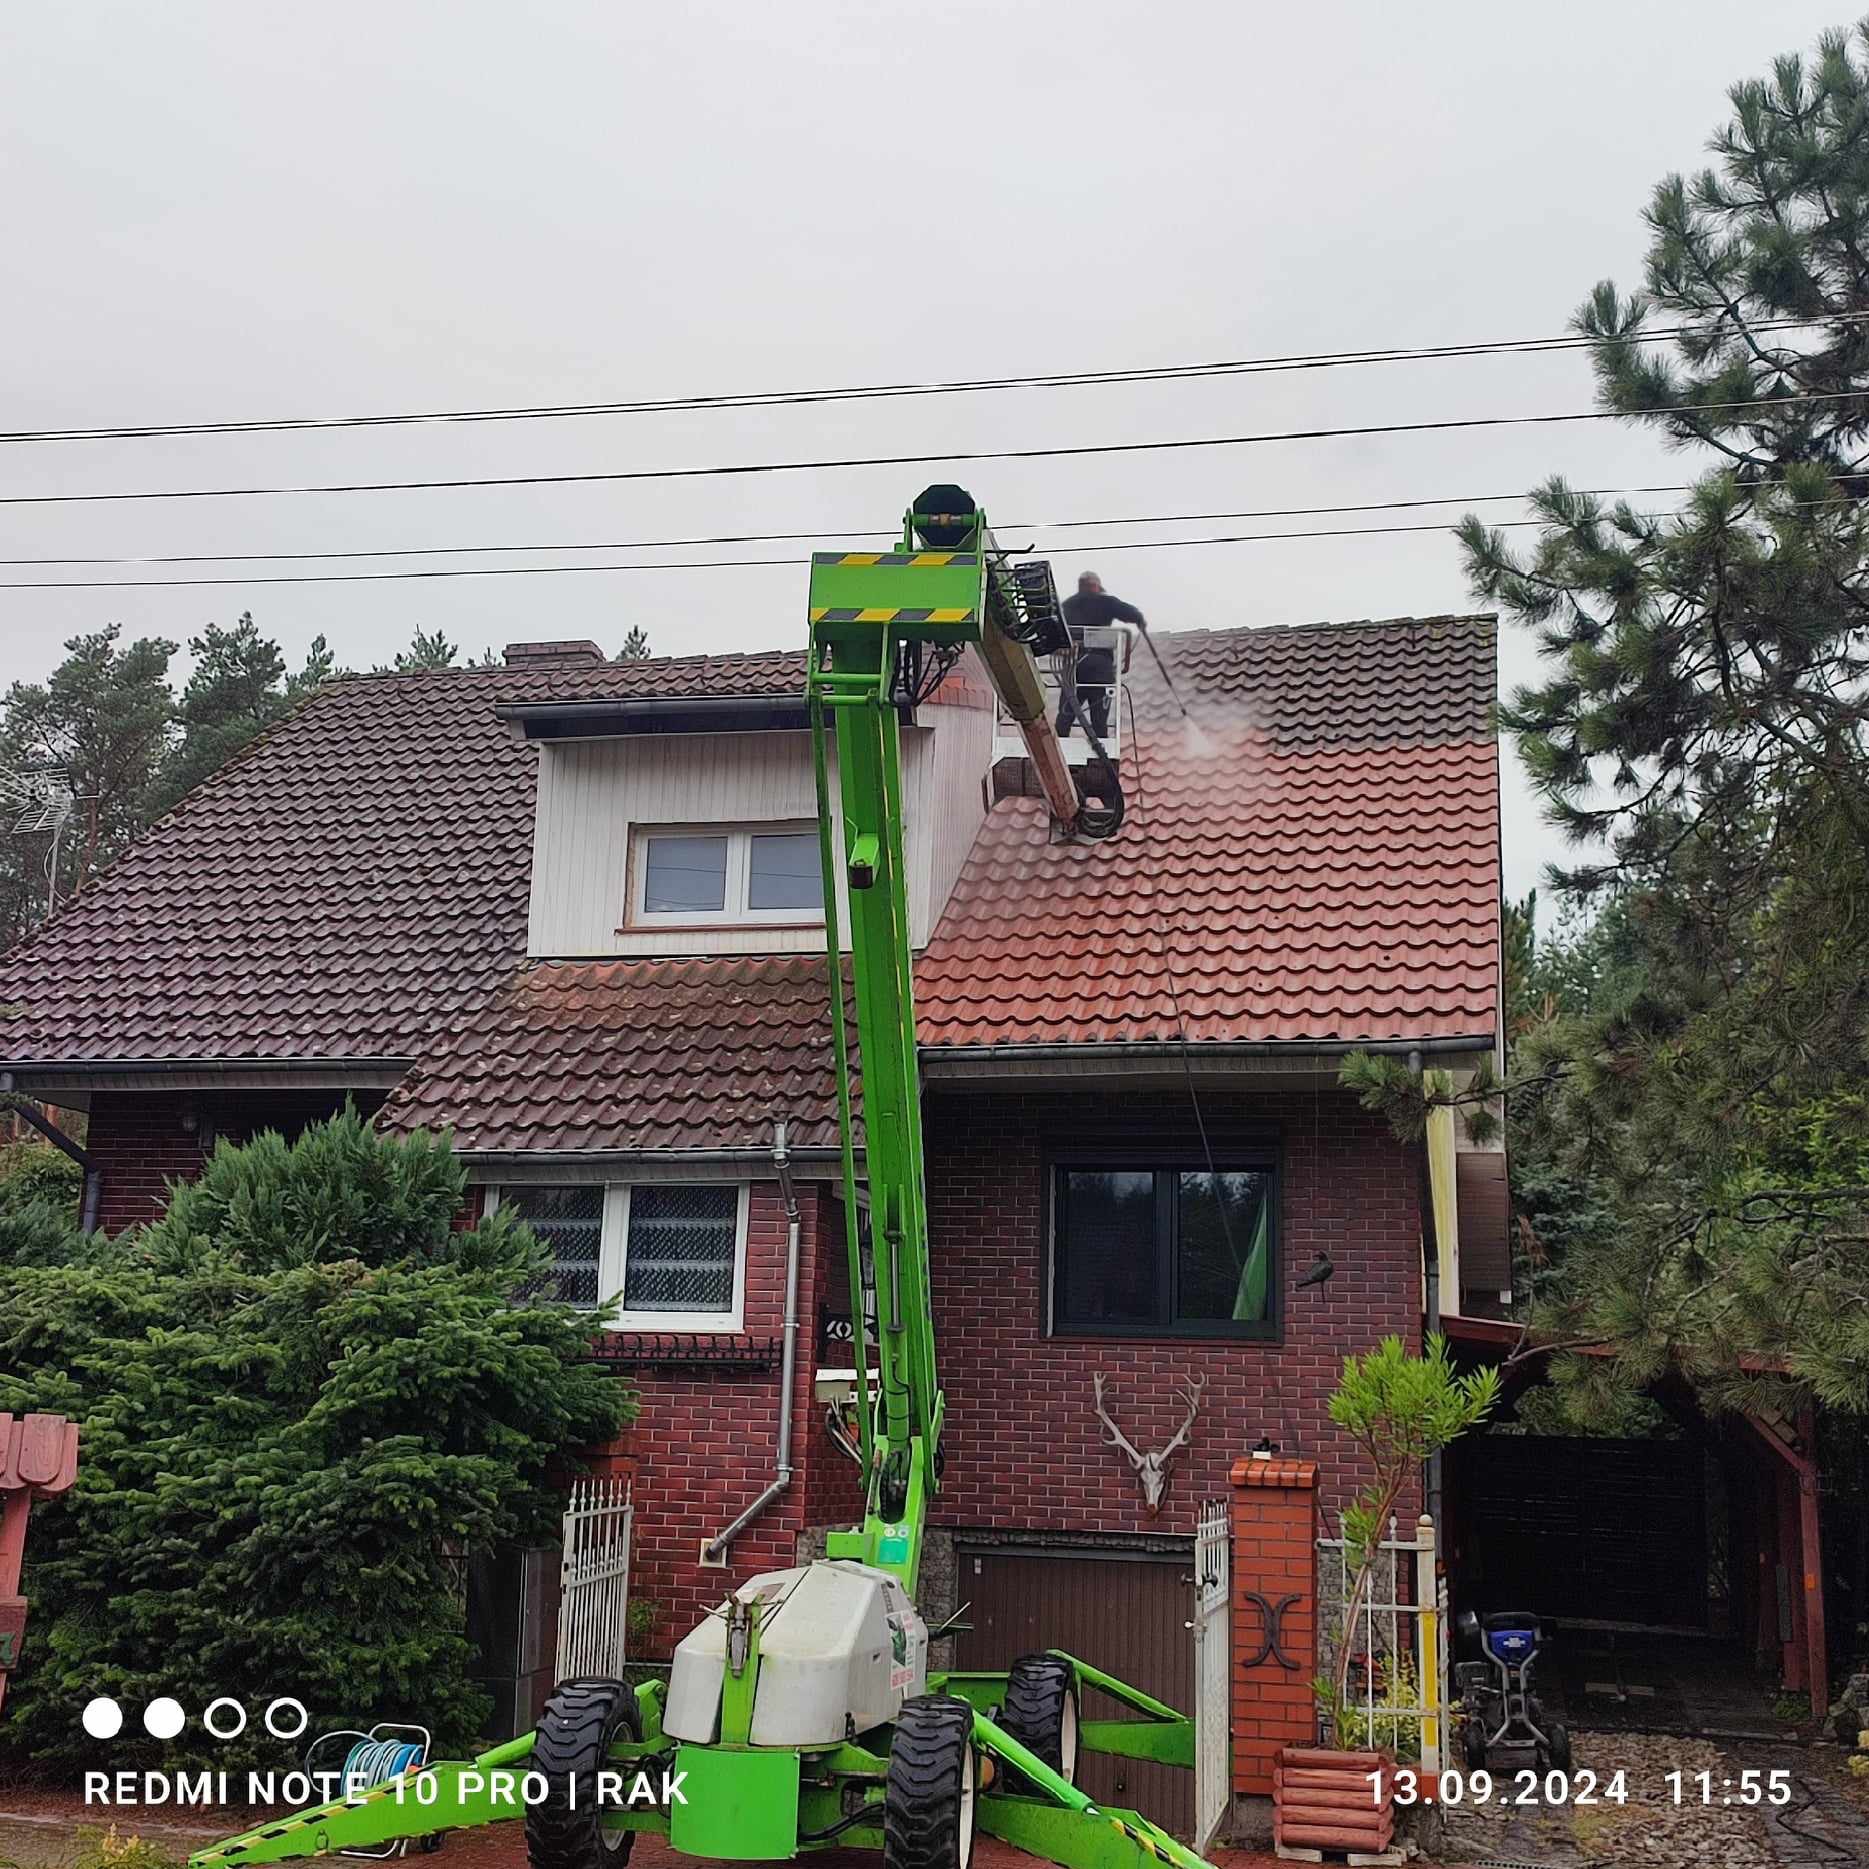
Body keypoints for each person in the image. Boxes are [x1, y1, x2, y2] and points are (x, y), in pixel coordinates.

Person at [1055, 571, 1145, 741]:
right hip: (1100, 669)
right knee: (1099, 720)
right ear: (1096, 586)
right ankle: (1100, 755)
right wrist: (1139, 619)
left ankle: (1061, 748)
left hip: (1074, 668)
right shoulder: (1106, 602)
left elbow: (1055, 629)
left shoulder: (1067, 606)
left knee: (1065, 716)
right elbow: (1130, 613)